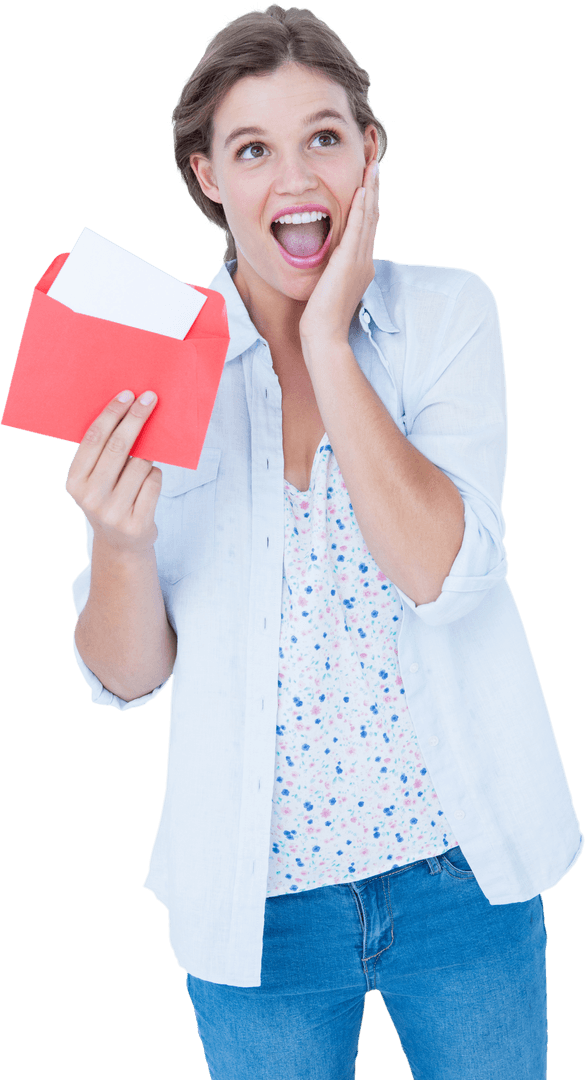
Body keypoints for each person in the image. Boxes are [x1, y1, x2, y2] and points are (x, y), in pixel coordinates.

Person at [65, 5, 582, 1078]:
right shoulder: (157, 365)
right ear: (207, 174)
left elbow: (443, 574)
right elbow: (123, 679)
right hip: (256, 910)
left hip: (462, 880)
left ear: (369, 154)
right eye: (253, 149)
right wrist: (117, 541)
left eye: (325, 138)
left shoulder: (447, 318)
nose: (294, 177)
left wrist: (327, 342)